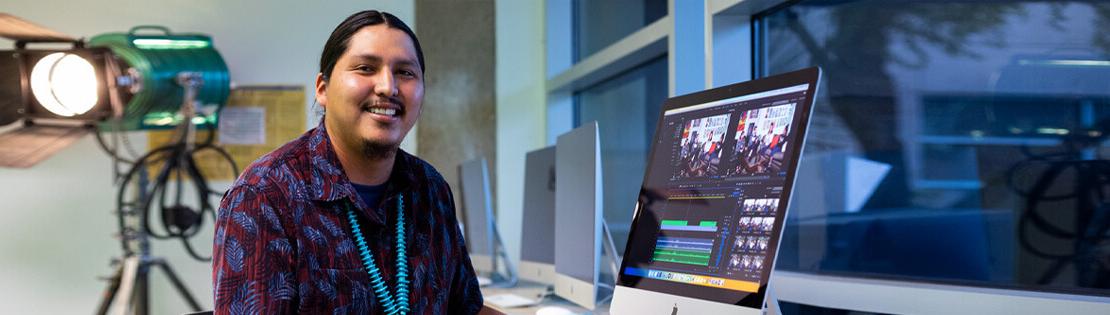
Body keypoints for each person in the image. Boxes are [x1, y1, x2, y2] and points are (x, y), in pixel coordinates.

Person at [212, 10, 494, 314]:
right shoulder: (264, 197)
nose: (388, 87)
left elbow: (465, 308)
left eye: (405, 72)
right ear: (323, 89)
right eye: (365, 68)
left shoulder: (430, 189)